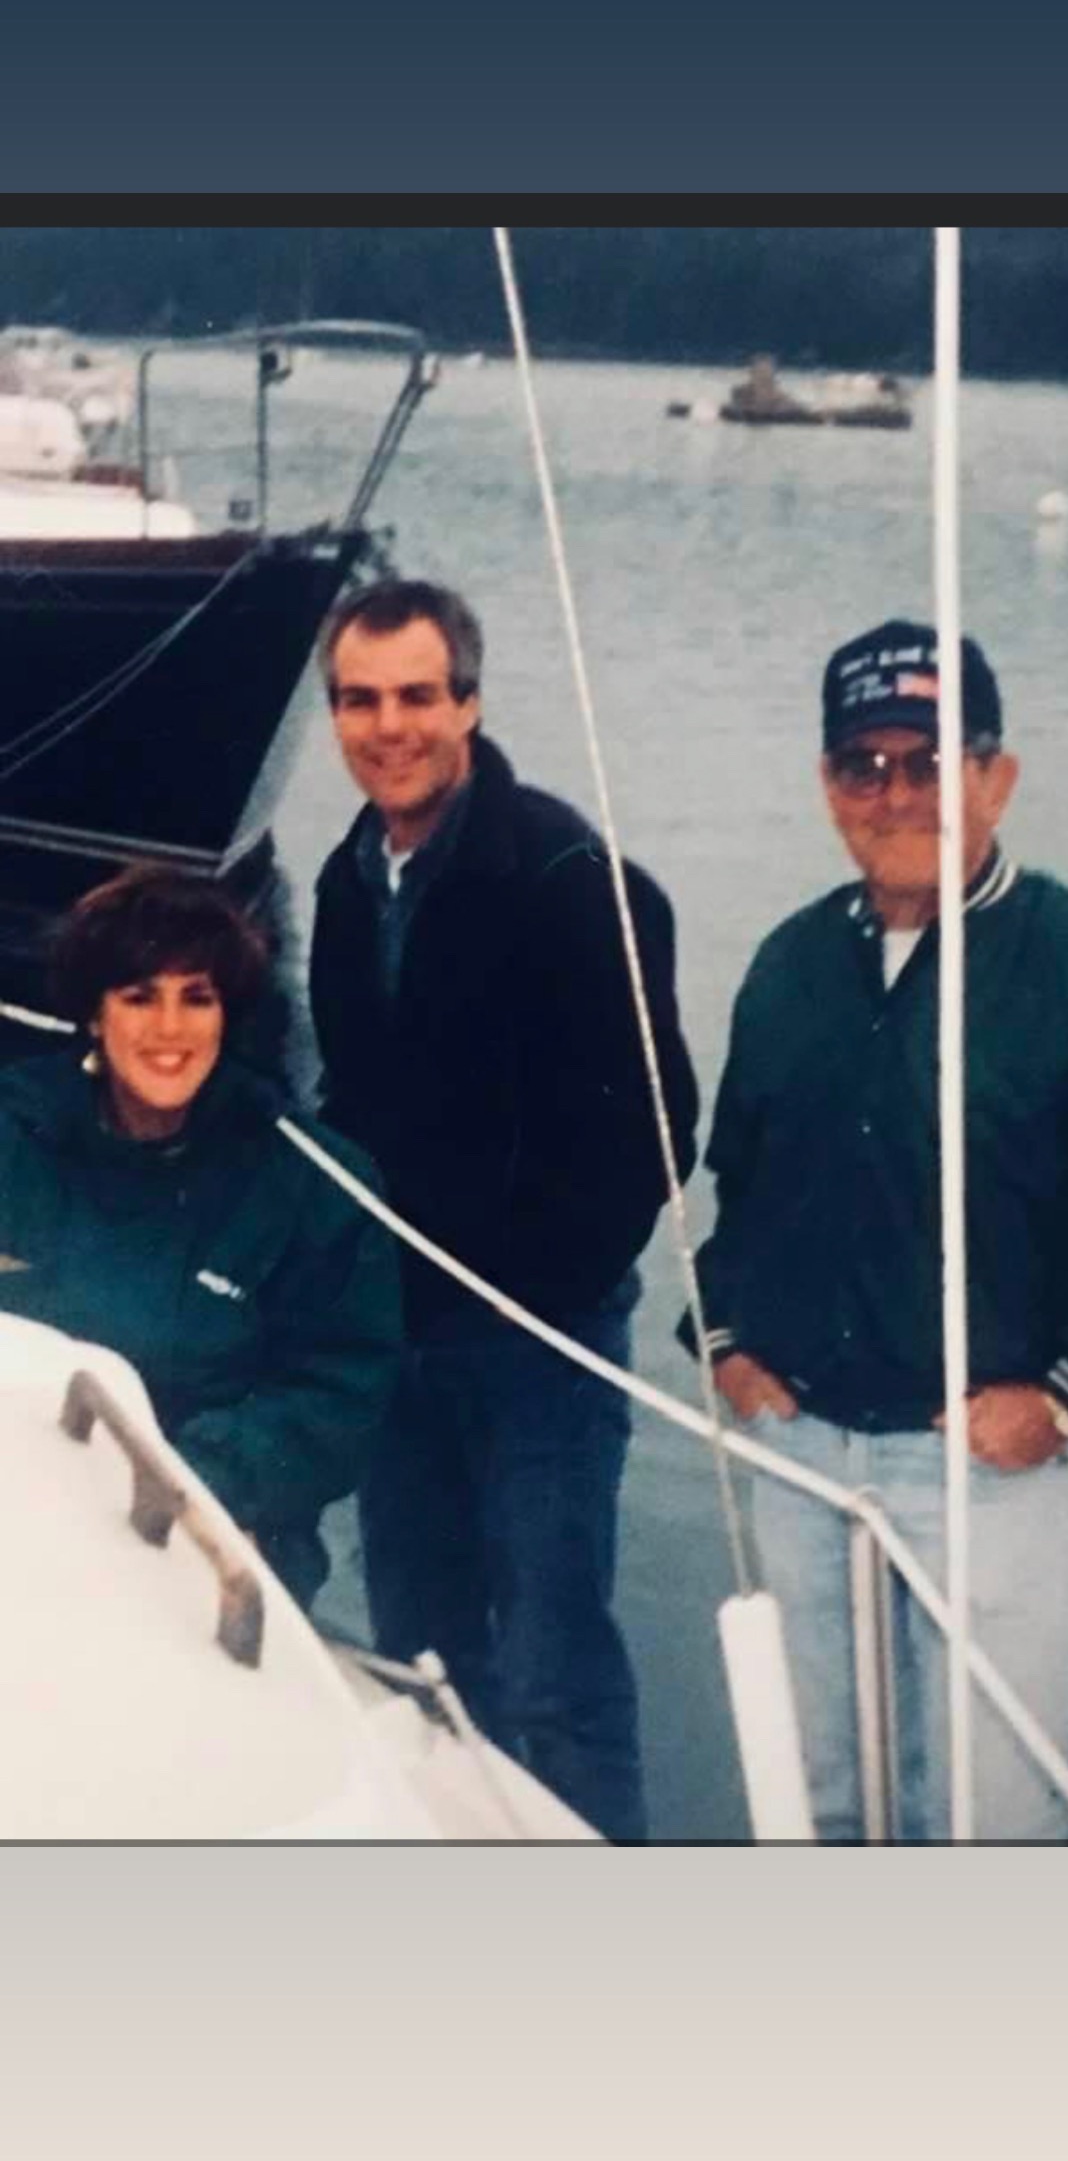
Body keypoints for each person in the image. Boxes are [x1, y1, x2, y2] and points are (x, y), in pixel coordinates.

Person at [682, 619, 1068, 1841]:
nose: (895, 794)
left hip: (986, 1480)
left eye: (930, 761)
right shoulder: (791, 962)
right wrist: (726, 1339)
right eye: (864, 765)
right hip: (801, 1460)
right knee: (817, 1808)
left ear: (996, 777)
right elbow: (738, 1181)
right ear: (827, 784)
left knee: (987, 1820)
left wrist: (1067, 1392)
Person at [308, 576, 699, 1842]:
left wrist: (531, 1281)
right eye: (360, 700)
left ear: (469, 702)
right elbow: (355, 1100)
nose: (390, 727)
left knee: (553, 1671)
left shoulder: (572, 876)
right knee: (423, 1659)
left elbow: (654, 1133)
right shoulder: (348, 880)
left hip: (540, 1345)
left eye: (418, 695)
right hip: (398, 1341)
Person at [0, 864, 402, 1610]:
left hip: (195, 1531)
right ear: (95, 1016)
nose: (169, 1029)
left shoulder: (313, 1185)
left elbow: (337, 1395)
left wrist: (193, 1479)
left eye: (197, 998)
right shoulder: (12, 1132)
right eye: (139, 997)